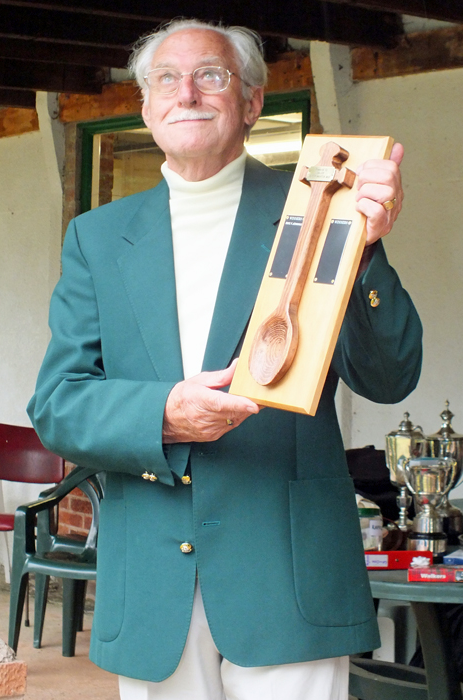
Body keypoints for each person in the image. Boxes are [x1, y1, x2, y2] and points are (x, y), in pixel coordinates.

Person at [27, 17, 422, 700]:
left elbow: (388, 378)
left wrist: (364, 245)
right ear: (146, 108)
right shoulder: (96, 237)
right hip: (153, 585)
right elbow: (59, 405)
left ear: (249, 102)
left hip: (288, 578)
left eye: (210, 75)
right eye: (166, 81)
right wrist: (164, 414)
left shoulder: (325, 208)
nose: (188, 93)